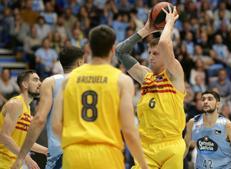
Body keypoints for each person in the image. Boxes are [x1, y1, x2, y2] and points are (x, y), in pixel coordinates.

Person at [51, 25, 147, 169]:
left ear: (89, 47)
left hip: (74, 154)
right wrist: (144, 165)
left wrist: (72, 144)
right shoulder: (122, 81)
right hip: (107, 154)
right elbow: (128, 131)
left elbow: (56, 125)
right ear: (113, 50)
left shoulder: (69, 79)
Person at [116, 5, 186, 169]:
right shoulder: (145, 76)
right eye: (149, 53)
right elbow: (120, 52)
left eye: (156, 53)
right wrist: (146, 29)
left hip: (171, 146)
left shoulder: (175, 75)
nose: (151, 57)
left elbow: (163, 43)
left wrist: (169, 23)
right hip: (146, 148)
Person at [11, 46, 84, 169]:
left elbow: (39, 119)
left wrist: (21, 157)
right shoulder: (96, 83)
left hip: (62, 153)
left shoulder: (51, 82)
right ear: (79, 62)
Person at [184, 90, 231, 169]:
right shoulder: (192, 122)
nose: (205, 101)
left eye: (210, 99)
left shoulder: (227, 125)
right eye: (203, 99)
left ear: (218, 104)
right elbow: (185, 146)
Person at [0, 70, 48, 169]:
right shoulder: (16, 104)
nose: (40, 83)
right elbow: (4, 136)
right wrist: (26, 158)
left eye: (39, 80)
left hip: (13, 164)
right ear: (25, 84)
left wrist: (45, 151)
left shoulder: (27, 108)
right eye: (35, 80)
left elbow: (23, 142)